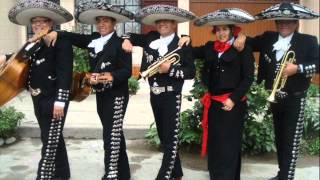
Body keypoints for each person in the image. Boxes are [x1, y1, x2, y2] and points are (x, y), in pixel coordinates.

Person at [46, 1, 134, 179]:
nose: (102, 24)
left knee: (111, 137)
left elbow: (126, 71)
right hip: (101, 96)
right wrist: (56, 31)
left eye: (106, 21)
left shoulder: (122, 43)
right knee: (114, 133)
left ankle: (112, 174)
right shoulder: (93, 39)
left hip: (116, 96)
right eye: (99, 21)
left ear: (113, 23)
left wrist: (110, 76)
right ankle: (123, 173)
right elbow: (71, 37)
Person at [235, 2, 319, 180]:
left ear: (296, 23)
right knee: (280, 139)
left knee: (291, 142)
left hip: (295, 98)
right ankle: (282, 174)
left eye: (288, 22)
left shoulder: (308, 41)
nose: (283, 24)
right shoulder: (268, 38)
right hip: (276, 98)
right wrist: (240, 36)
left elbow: (318, 65)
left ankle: (287, 177)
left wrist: (298, 68)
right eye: (280, 21)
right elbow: (248, 41)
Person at [122, 4, 196, 180]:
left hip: (171, 95)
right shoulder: (150, 37)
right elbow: (129, 35)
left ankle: (165, 175)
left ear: (174, 24)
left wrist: (170, 70)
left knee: (170, 138)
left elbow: (190, 72)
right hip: (155, 95)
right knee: (164, 136)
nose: (162, 24)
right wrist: (126, 40)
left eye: (167, 21)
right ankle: (177, 173)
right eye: (159, 21)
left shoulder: (182, 43)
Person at [4, 0, 74, 180]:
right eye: (35, 22)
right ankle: (62, 174)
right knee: (51, 138)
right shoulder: (33, 44)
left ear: (50, 23)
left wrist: (60, 101)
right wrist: (4, 57)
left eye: (43, 21)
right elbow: (19, 57)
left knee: (49, 144)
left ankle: (43, 176)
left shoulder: (61, 42)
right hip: (38, 98)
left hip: (54, 101)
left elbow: (65, 74)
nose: (38, 25)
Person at [182, 8, 255, 180]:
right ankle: (216, 176)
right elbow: (190, 52)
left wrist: (233, 99)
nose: (221, 33)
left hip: (233, 104)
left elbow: (248, 78)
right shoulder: (209, 47)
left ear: (231, 30)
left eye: (225, 29)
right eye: (218, 29)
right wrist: (186, 38)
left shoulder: (243, 48)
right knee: (215, 142)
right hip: (213, 103)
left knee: (229, 144)